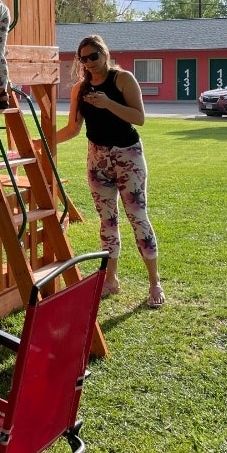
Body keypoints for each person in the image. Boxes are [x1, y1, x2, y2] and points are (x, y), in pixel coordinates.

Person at [54, 34, 165, 308]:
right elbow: (73, 129)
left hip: (128, 157)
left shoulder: (123, 79)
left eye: (94, 56)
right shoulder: (80, 89)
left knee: (138, 218)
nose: (89, 63)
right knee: (107, 222)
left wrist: (107, 103)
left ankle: (154, 282)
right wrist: (43, 141)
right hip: (97, 159)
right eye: (84, 58)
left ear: (105, 53)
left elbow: (139, 118)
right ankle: (111, 280)